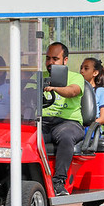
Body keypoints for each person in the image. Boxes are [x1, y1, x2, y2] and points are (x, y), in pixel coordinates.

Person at [42, 42, 85, 196]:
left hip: (69, 122)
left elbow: (72, 91)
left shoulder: (76, 77)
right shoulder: (40, 77)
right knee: (24, 136)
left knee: (66, 136)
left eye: (55, 59)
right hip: (44, 122)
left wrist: (55, 88)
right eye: (47, 59)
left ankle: (58, 182)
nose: (50, 63)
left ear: (65, 60)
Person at [80, 57, 104, 134]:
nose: (82, 71)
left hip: (92, 130)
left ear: (95, 73)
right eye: (81, 68)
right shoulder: (77, 90)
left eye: (86, 68)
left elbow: (103, 119)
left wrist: (88, 124)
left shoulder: (102, 92)